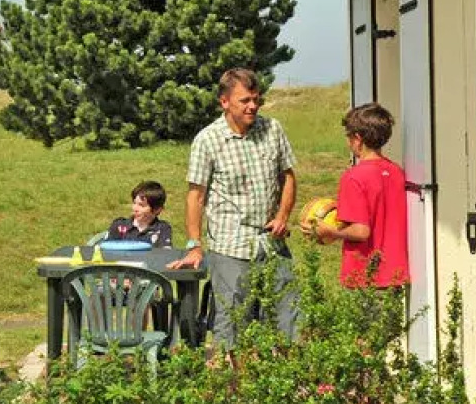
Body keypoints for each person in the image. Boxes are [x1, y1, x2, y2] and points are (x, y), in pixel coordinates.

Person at [168, 68, 299, 347]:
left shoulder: (272, 129)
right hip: (230, 246)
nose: (252, 106)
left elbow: (288, 176)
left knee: (286, 318)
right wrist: (194, 244)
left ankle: (283, 383)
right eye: (245, 101)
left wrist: (283, 216)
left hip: (272, 243)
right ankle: (236, 385)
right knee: (234, 325)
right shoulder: (207, 140)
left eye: (256, 99)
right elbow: (196, 197)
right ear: (224, 102)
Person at [303, 103, 410, 289]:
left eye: (348, 136)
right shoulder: (397, 172)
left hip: (364, 276)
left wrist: (329, 232)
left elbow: (361, 232)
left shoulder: (353, 177)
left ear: (358, 138)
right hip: (394, 275)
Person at [105, 181, 173, 247]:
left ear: (157, 210)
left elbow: (164, 254)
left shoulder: (162, 229)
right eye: (134, 203)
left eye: (141, 205)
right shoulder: (119, 226)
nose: (135, 208)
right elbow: (106, 250)